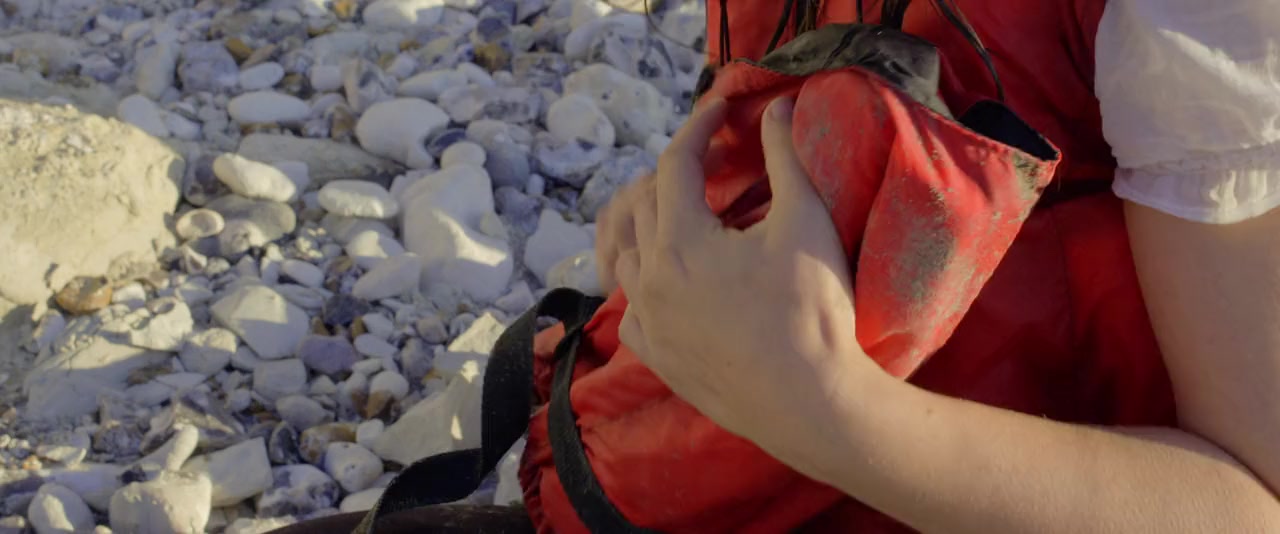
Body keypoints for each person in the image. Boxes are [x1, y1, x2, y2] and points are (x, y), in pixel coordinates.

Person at [597, 1, 1280, 531]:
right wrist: (683, 214)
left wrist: (832, 413)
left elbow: (1255, 509)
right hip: (690, 449)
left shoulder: (1200, 20)